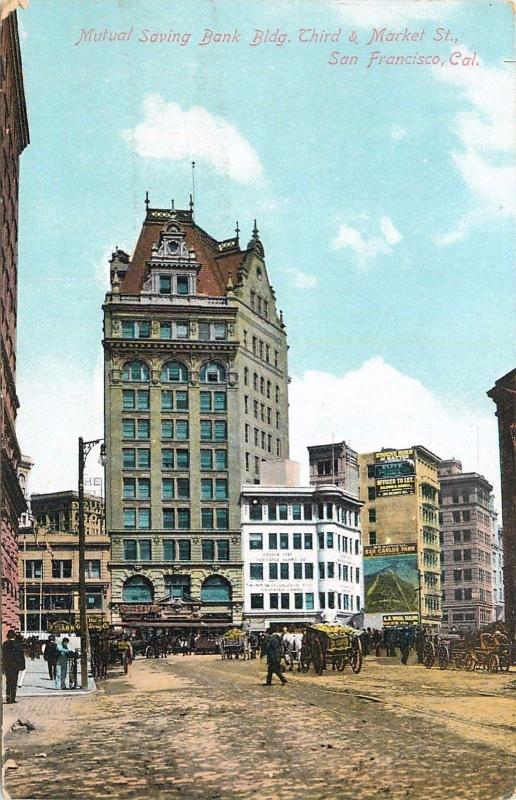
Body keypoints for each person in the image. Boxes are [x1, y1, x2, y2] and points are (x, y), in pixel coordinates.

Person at [2, 630, 25, 703]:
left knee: (8, 682)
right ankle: (13, 698)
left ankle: (8, 698)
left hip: (7, 666)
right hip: (16, 666)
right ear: (14, 636)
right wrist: (22, 666)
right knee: (14, 682)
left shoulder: (5, 644)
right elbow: (21, 656)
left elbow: (2, 656)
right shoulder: (18, 645)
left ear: (8, 636)